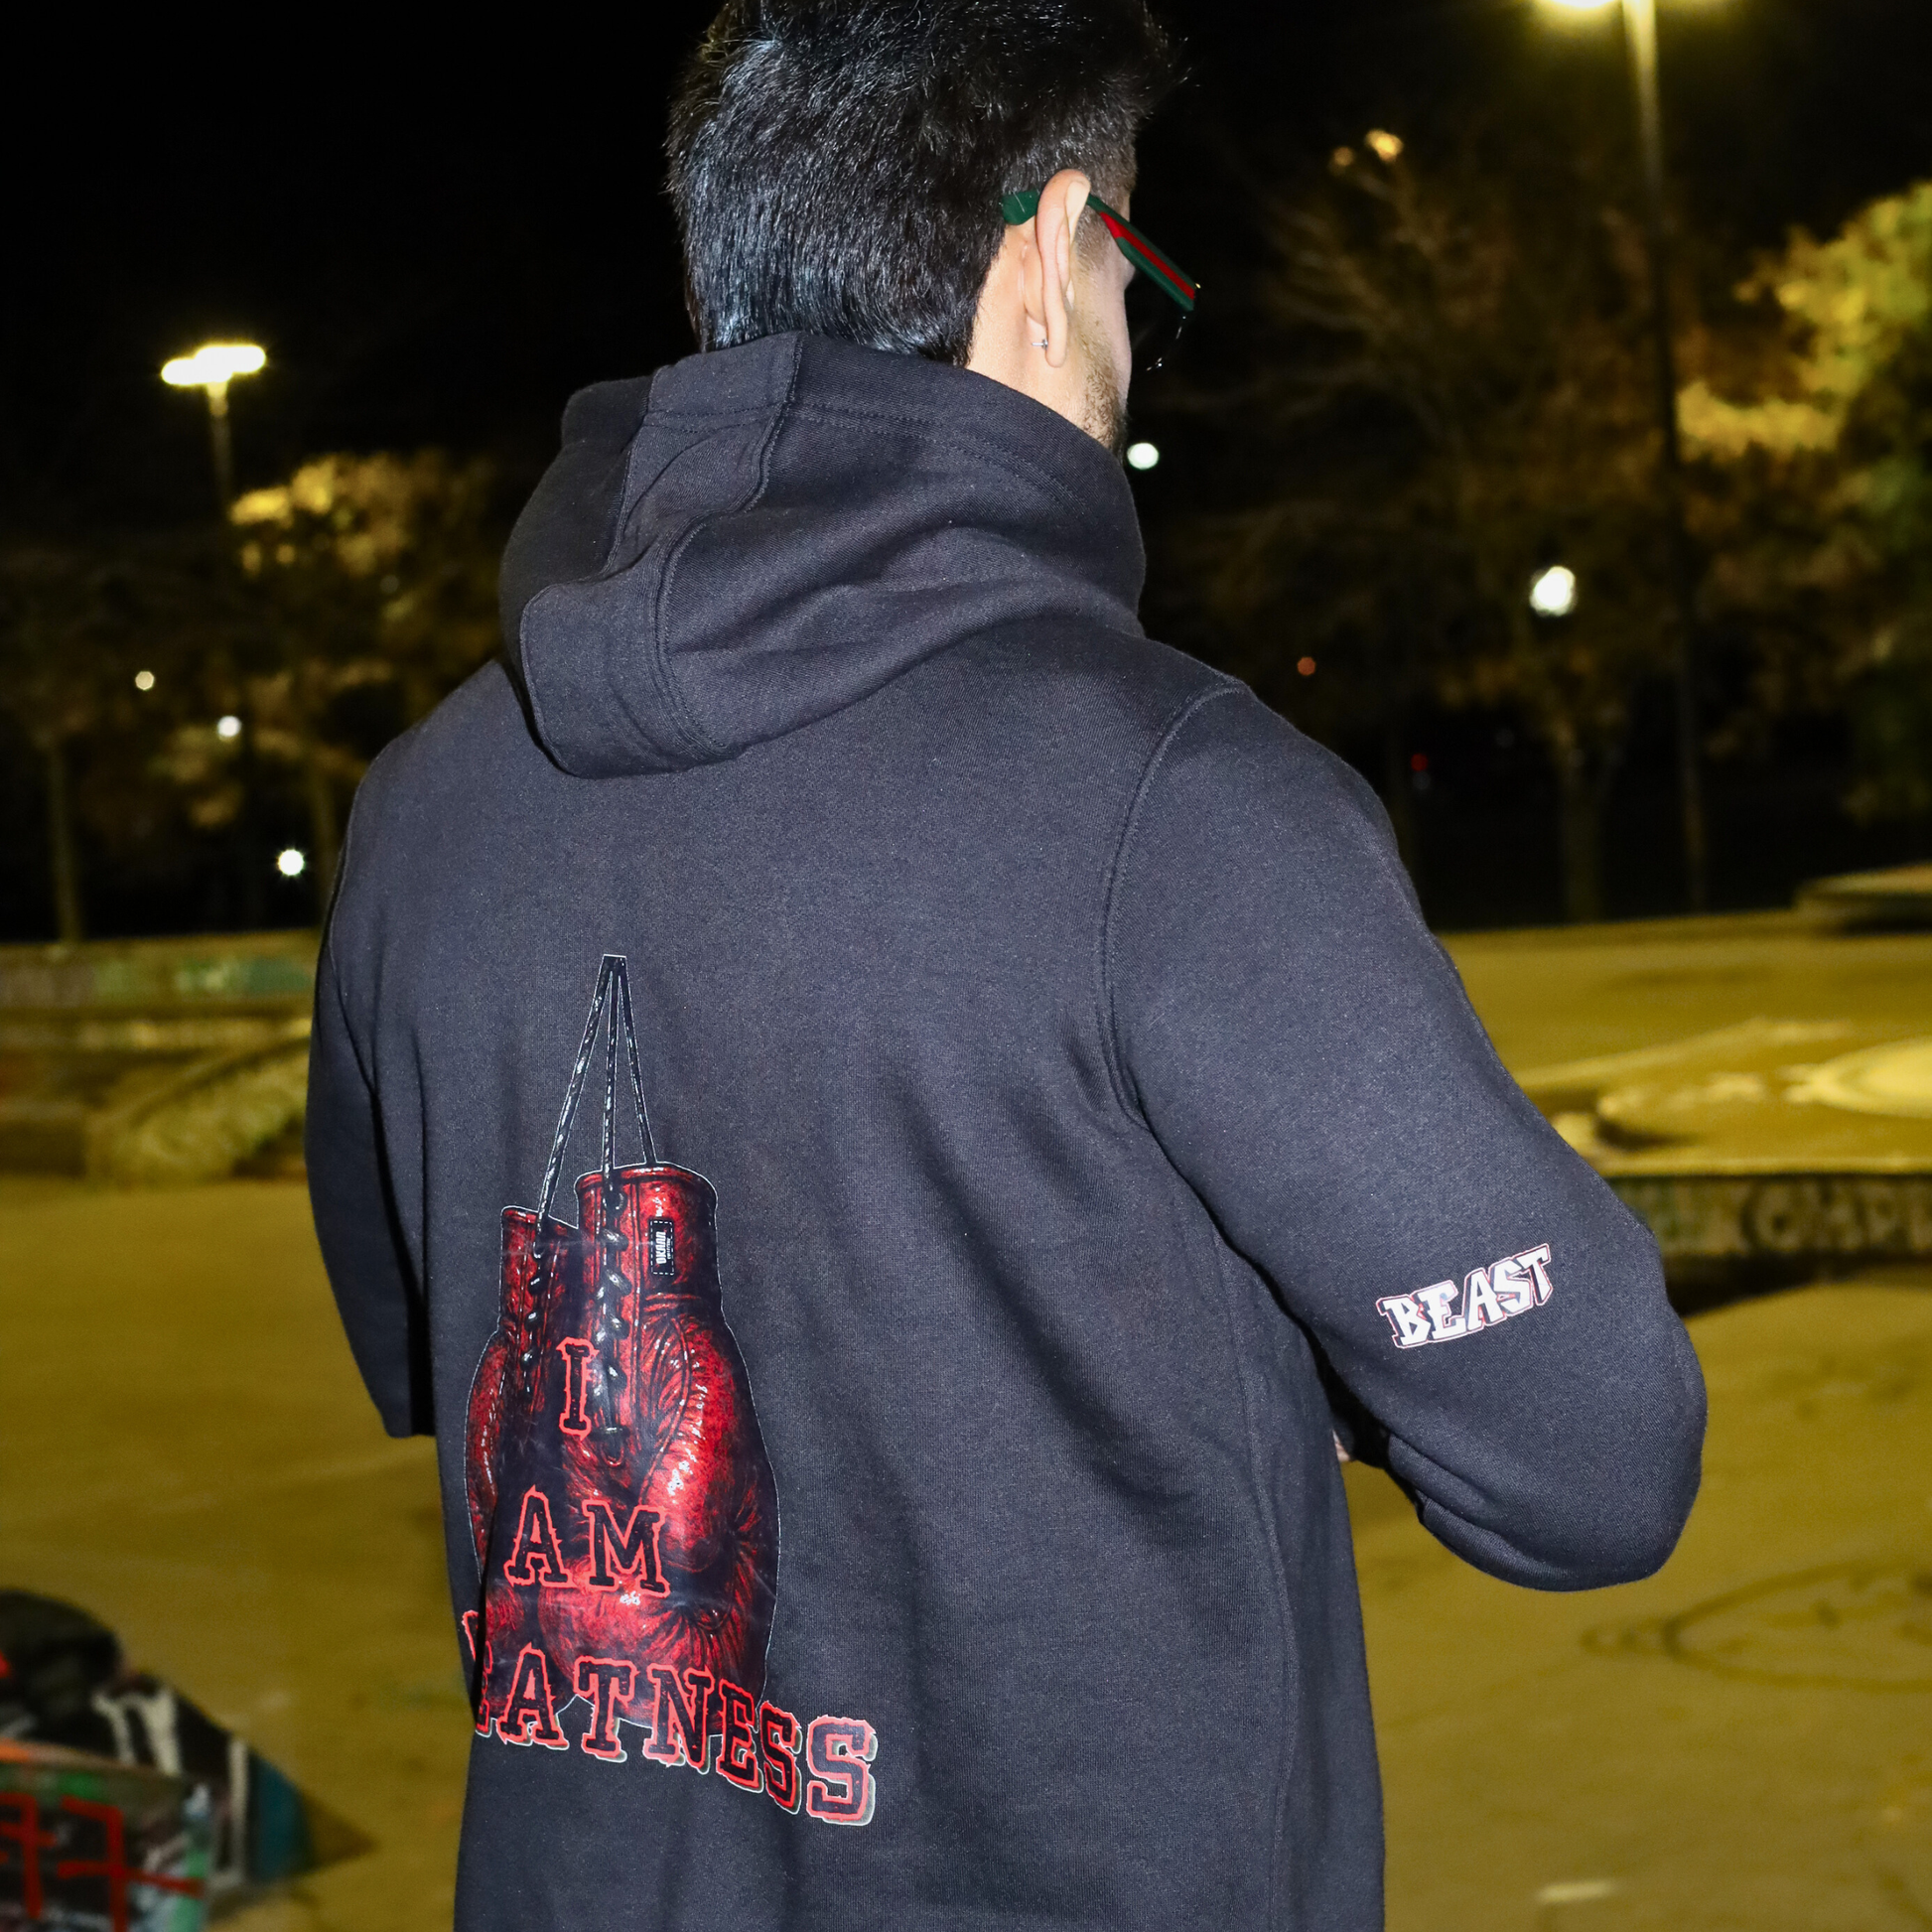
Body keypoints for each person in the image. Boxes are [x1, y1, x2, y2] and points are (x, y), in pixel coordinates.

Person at [305, 2, 1706, 1926]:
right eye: (1138, 276)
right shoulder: (1173, 800)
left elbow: (436, 1345)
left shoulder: (422, 809)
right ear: (1052, 249)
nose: (1132, 338)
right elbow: (1595, 1458)